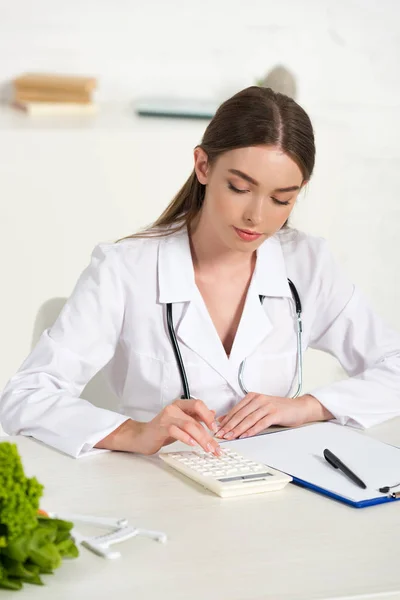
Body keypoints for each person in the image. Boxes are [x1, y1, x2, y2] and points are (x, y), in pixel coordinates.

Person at [1, 86, 400, 459]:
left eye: (282, 199)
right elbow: (25, 397)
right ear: (203, 165)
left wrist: (308, 407)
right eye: (240, 188)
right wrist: (134, 433)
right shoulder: (125, 269)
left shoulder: (308, 264)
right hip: (156, 487)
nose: (256, 217)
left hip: (275, 486)